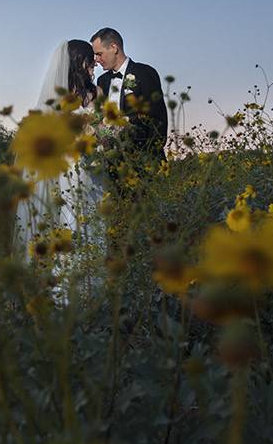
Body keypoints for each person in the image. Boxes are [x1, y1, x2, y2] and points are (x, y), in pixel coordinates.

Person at [12, 40, 107, 292]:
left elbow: (105, 125)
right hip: (70, 169)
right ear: (79, 62)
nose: (94, 64)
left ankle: (95, 286)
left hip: (95, 167)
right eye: (90, 60)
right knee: (72, 222)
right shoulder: (57, 97)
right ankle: (66, 292)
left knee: (96, 222)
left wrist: (103, 134)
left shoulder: (96, 93)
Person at [90, 28, 168, 164]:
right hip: (114, 166)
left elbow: (157, 120)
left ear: (114, 47)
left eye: (99, 54)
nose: (96, 60)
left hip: (145, 162)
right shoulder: (102, 82)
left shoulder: (145, 73)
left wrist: (146, 157)